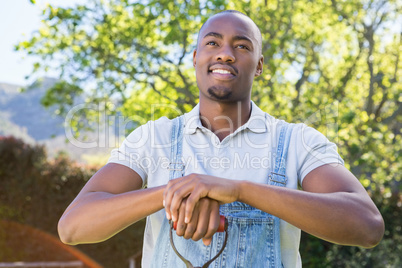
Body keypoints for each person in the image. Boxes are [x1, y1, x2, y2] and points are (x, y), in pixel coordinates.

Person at [58, 10, 384, 267]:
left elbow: (367, 225)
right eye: (213, 43)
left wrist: (238, 190)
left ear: (258, 66)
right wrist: (179, 191)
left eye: (241, 46)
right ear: (196, 56)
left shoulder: (298, 141)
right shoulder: (152, 138)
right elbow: (72, 228)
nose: (225, 54)